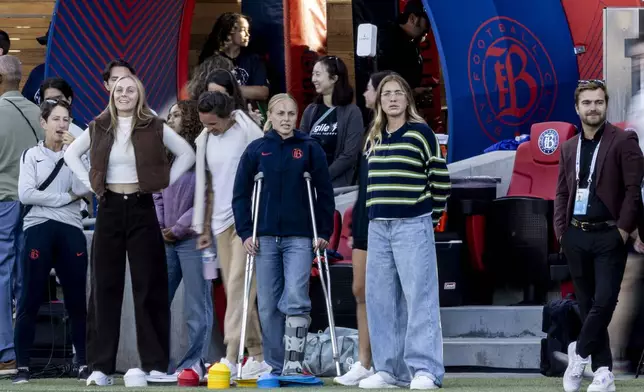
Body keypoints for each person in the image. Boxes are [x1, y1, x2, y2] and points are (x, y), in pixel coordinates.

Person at [64, 75, 196, 386]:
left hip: (141, 207)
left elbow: (187, 154)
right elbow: (71, 155)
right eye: (119, 89)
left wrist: (161, 183)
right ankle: (100, 367)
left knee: (149, 286)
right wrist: (93, 186)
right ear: (111, 93)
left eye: (131, 90)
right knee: (104, 287)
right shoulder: (98, 125)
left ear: (140, 94)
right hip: (109, 207)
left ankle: (154, 364)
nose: (124, 94)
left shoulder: (153, 125)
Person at [358, 74, 450, 390]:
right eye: (387, 94)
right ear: (380, 101)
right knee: (381, 300)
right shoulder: (374, 136)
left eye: (399, 93)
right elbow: (369, 187)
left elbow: (439, 179)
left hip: (413, 224)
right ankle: (389, 370)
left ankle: (426, 370)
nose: (393, 99)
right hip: (378, 227)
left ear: (407, 99)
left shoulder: (422, 133)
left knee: (419, 298)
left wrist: (428, 216)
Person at [232, 93, 334, 376]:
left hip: (299, 236)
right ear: (270, 117)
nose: (286, 119)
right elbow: (240, 194)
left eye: (291, 114)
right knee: (267, 304)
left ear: (296, 116)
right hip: (263, 238)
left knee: (295, 297)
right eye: (281, 114)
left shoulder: (310, 148)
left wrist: (323, 230)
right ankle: (276, 366)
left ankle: (294, 362)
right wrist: (244, 232)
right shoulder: (256, 150)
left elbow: (324, 193)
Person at [555, 80, 644, 392]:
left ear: (606, 105)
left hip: (610, 234)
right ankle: (604, 371)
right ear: (577, 108)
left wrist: (623, 230)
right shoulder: (568, 147)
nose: (593, 108)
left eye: (598, 102)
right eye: (587, 103)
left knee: (605, 300)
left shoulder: (623, 140)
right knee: (588, 301)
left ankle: (579, 355)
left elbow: (634, 191)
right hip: (576, 234)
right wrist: (562, 233)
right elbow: (563, 192)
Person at [12, 100, 91, 384]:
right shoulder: (31, 155)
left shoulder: (77, 153)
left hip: (71, 227)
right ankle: (23, 365)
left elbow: (85, 188)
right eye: (56, 119)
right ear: (43, 122)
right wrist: (64, 199)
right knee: (30, 297)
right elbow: (26, 194)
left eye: (66, 119)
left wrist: (76, 155)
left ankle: (82, 362)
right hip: (38, 227)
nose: (61, 125)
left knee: (77, 299)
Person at [192, 91, 269, 379]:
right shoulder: (207, 138)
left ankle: (231, 354)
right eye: (205, 123)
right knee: (239, 291)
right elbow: (204, 182)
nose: (208, 128)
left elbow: (260, 138)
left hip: (247, 220)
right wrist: (202, 225)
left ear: (228, 116)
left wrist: (239, 114)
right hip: (219, 222)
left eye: (213, 123)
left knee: (239, 285)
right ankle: (258, 354)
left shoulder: (244, 130)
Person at [333, 71, 392, 386]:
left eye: (368, 89)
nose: (365, 94)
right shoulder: (371, 132)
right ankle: (364, 362)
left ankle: (389, 362)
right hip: (365, 219)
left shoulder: (398, 132)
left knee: (385, 293)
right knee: (360, 289)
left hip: (388, 221)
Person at [153, 100, 213, 376]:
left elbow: (205, 195)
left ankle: (192, 364)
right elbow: (156, 192)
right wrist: (162, 225)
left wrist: (177, 227)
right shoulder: (167, 154)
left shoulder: (201, 152)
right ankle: (159, 363)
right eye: (170, 115)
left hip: (192, 239)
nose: (171, 119)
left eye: (177, 115)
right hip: (166, 240)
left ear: (189, 119)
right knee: (157, 302)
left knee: (196, 306)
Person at [0, 55, 45, 376]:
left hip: (3, 203)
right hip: (35, 206)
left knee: (2, 275)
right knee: (24, 276)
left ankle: (7, 352)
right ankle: (22, 350)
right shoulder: (40, 115)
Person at [300, 56, 364, 188]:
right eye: (313, 74)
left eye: (318, 74)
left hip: (338, 187)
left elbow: (349, 155)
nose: (313, 79)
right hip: (309, 184)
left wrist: (323, 176)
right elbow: (300, 145)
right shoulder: (310, 110)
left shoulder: (352, 112)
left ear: (334, 78)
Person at [199, 12, 269, 102]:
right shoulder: (212, 61)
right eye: (243, 30)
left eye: (248, 30)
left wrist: (229, 89)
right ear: (229, 32)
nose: (248, 34)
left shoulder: (253, 59)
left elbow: (263, 93)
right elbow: (206, 90)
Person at [377, 0, 433, 99]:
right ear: (412, 18)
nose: (427, 31)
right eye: (427, 23)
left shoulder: (410, 43)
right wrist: (412, 92)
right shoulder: (387, 39)